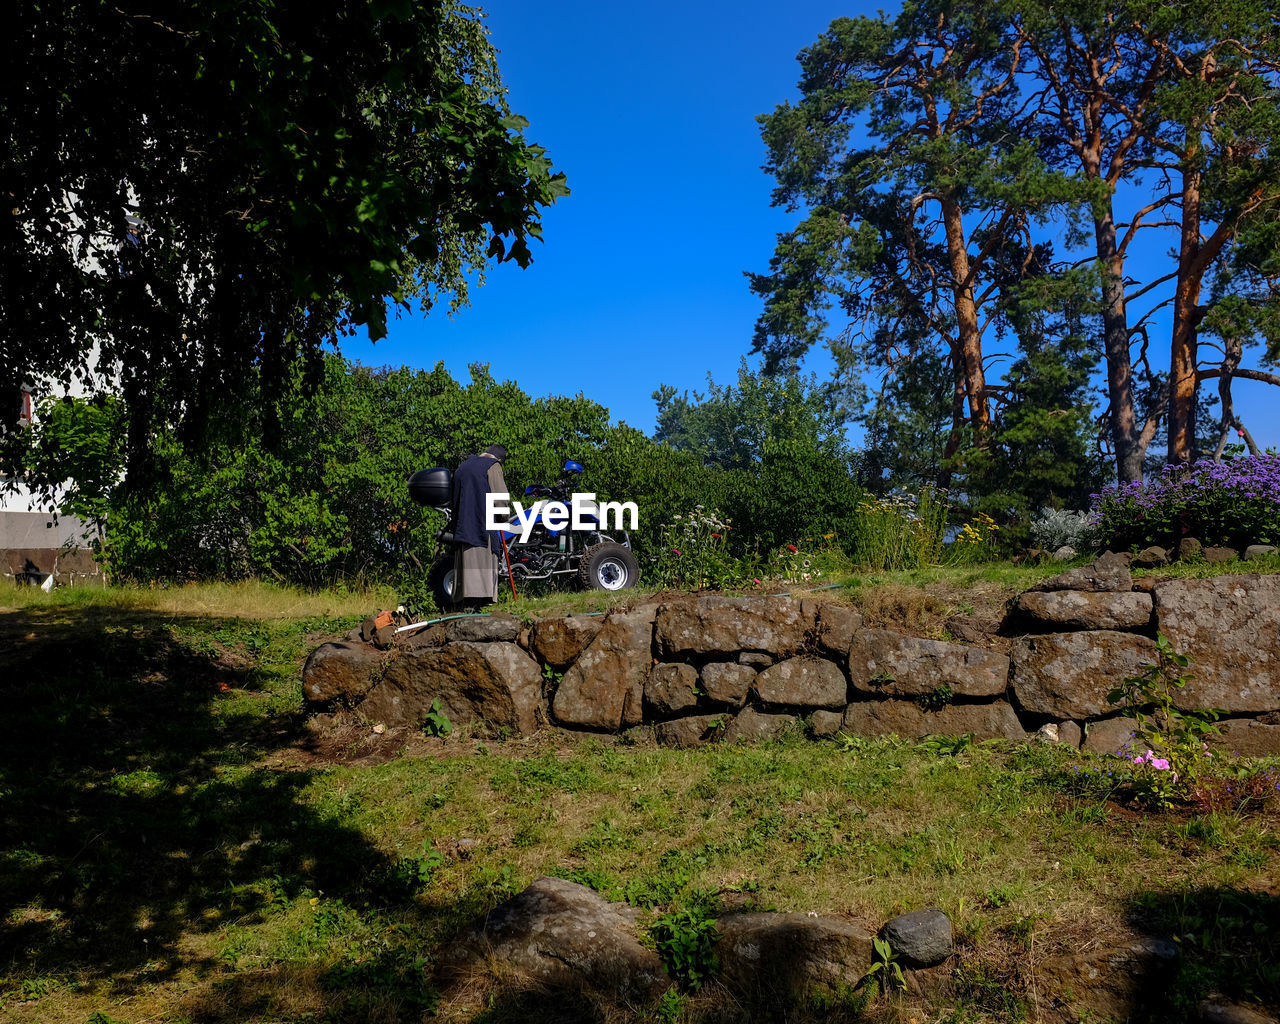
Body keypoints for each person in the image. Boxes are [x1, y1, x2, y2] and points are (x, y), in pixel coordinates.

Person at [450, 444, 510, 608]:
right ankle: (481, 603)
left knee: (465, 568)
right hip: (481, 526)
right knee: (482, 565)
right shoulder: (493, 466)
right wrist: (504, 517)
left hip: (461, 528)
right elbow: (501, 498)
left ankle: (465, 603)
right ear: (498, 459)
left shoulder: (463, 466)